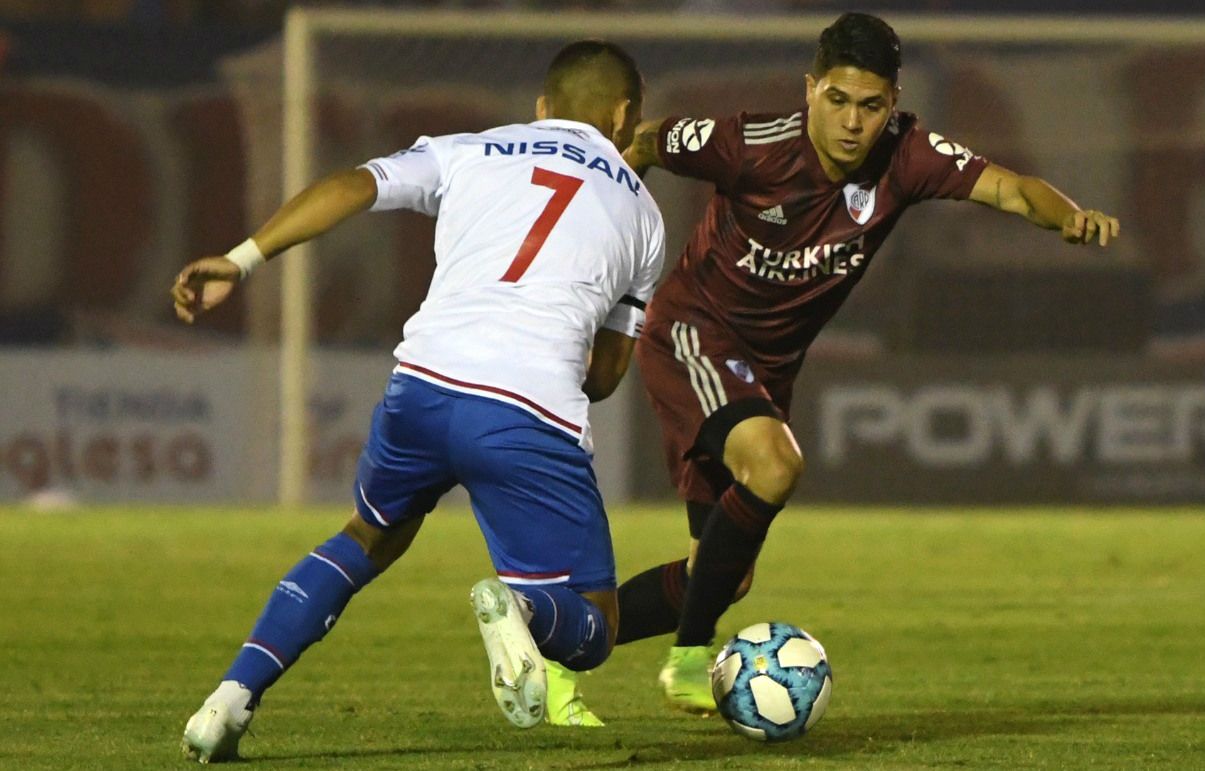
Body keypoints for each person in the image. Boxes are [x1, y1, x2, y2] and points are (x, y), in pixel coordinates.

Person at [547, 12, 1121, 716]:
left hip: (764, 370)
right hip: (694, 332)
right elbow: (644, 141)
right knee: (776, 465)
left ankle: (550, 640)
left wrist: (1065, 215)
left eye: (871, 106)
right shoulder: (749, 144)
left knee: (721, 576)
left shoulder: (908, 155)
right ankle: (690, 661)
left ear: (892, 104)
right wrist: (591, 223)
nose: (852, 123)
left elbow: (1010, 187)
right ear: (810, 89)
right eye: (837, 101)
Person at [173, 39, 664, 761]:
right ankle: (522, 609)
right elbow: (604, 377)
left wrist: (242, 259)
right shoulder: (644, 216)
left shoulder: (471, 149)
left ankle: (228, 699)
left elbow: (352, 185)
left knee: (365, 535)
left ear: (540, 109)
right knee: (594, 625)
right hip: (527, 412)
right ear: (625, 117)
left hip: (422, 388)